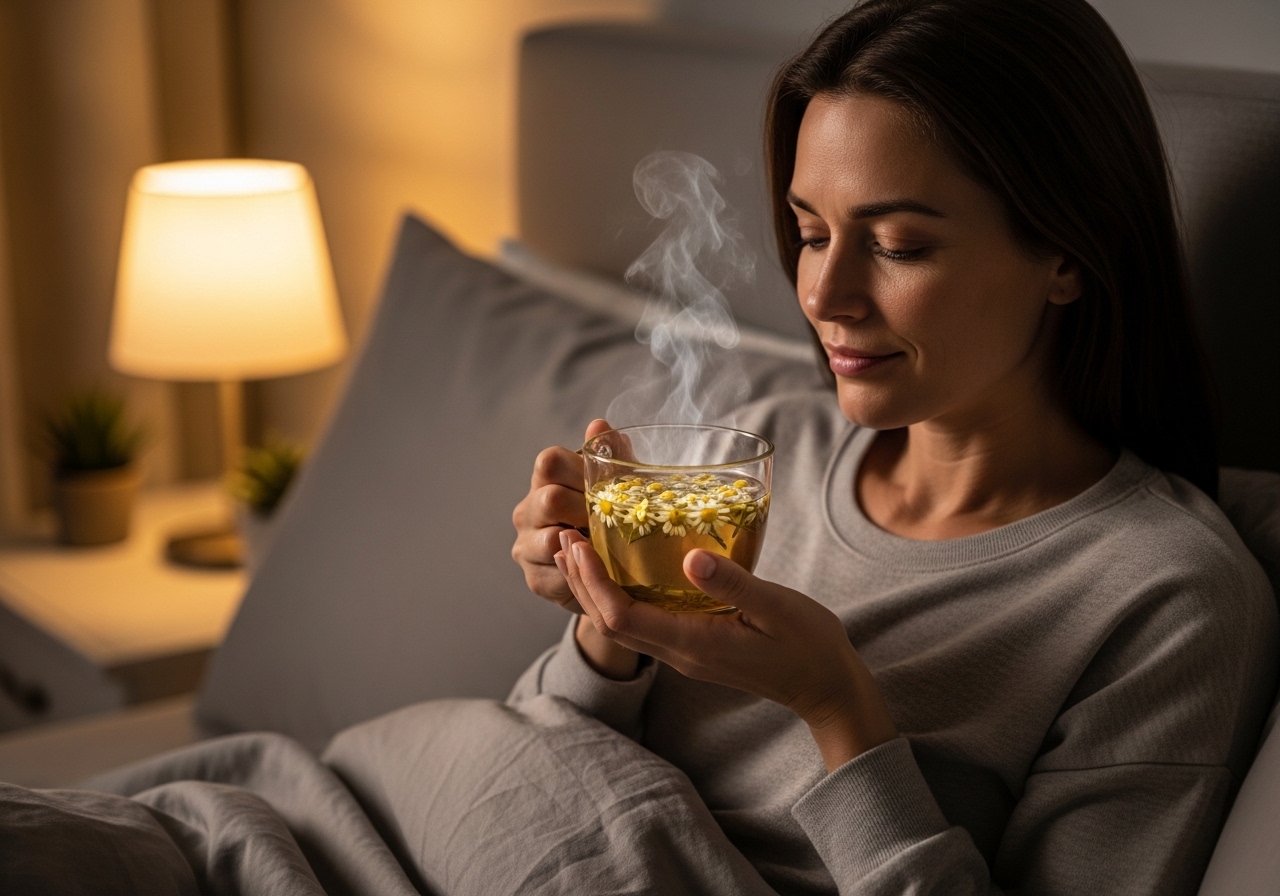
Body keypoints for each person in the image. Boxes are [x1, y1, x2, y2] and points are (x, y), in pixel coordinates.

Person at [510, 0, 1278, 892]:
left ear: (1068, 254)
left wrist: (836, 706)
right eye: (812, 234)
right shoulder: (767, 450)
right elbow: (530, 787)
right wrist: (610, 621)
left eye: (898, 246)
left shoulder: (1167, 597)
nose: (823, 295)